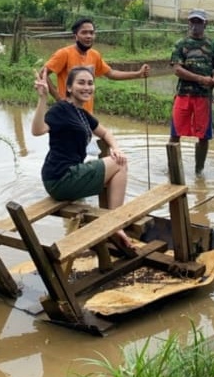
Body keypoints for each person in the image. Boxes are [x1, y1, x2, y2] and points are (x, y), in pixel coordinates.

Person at [32, 65, 136, 251]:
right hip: (62, 177)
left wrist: (115, 148)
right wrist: (42, 99)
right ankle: (114, 224)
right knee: (120, 165)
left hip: (64, 175)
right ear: (69, 87)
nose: (87, 87)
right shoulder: (61, 109)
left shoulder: (82, 114)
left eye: (90, 83)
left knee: (117, 160)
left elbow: (105, 132)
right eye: (81, 83)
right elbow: (37, 130)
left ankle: (111, 223)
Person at [40, 16, 150, 114]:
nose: (88, 36)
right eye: (84, 32)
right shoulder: (64, 54)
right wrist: (59, 98)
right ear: (75, 36)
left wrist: (137, 74)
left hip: (87, 113)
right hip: (67, 112)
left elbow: (111, 73)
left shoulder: (95, 55)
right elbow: (43, 73)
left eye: (91, 33)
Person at [169, 8, 214, 178]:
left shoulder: (213, 45)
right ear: (189, 23)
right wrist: (201, 79)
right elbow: (177, 70)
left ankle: (199, 171)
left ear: (205, 24)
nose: (195, 26)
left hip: (203, 98)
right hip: (184, 95)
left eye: (199, 22)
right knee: (175, 134)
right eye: (192, 22)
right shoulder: (181, 45)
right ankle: (173, 170)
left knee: (203, 137)